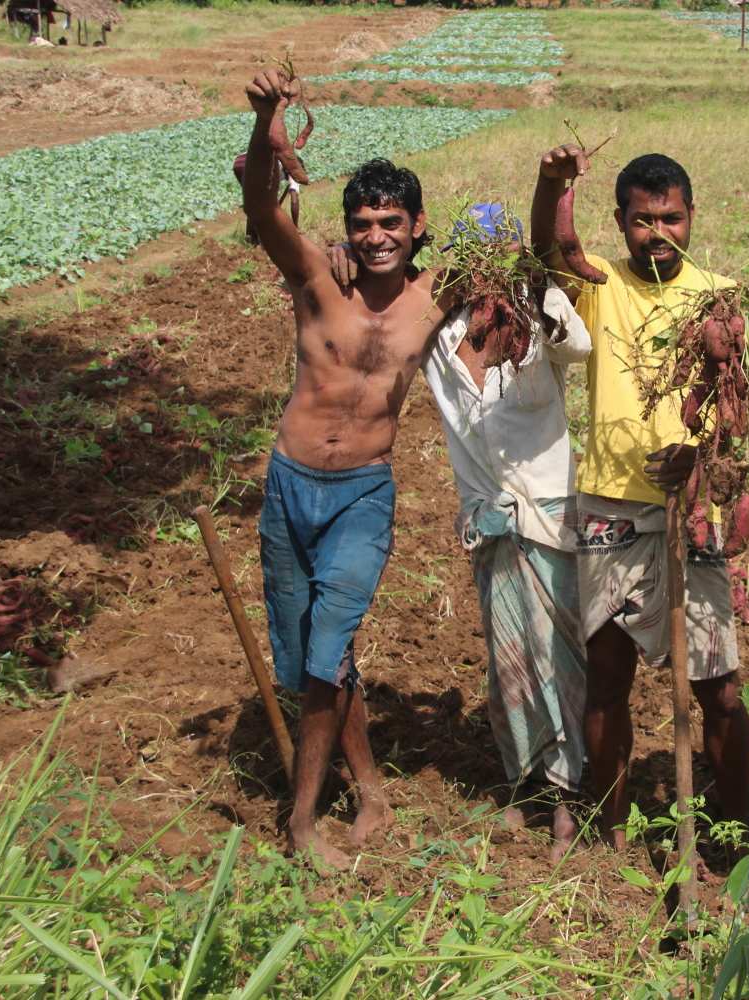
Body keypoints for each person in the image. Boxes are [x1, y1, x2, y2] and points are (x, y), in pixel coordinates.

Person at [328, 203, 594, 862]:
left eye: (504, 256)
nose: (490, 274)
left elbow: (582, 347)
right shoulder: (439, 333)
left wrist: (531, 300)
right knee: (509, 660)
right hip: (488, 517)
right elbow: (378, 308)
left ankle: (569, 795)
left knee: (562, 659)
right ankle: (525, 780)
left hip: (551, 512)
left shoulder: (539, 318)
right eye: (480, 259)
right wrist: (344, 253)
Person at [242, 69, 455, 867]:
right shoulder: (315, 281)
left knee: (326, 652)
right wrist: (268, 121)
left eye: (390, 222)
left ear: (417, 225)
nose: (374, 237)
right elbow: (262, 208)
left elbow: (512, 238)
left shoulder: (437, 295)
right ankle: (368, 786)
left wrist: (549, 185)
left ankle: (301, 822)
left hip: (363, 495)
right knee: (308, 662)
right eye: (361, 223)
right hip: (289, 486)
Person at [530, 148, 749, 854]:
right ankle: (613, 828)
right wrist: (552, 183)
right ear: (620, 223)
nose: (658, 234)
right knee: (608, 678)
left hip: (695, 510)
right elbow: (549, 250)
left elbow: (740, 404)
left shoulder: (722, 297)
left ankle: (739, 828)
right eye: (642, 221)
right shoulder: (599, 286)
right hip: (611, 508)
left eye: (672, 219)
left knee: (717, 685)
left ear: (692, 218)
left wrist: (700, 456)